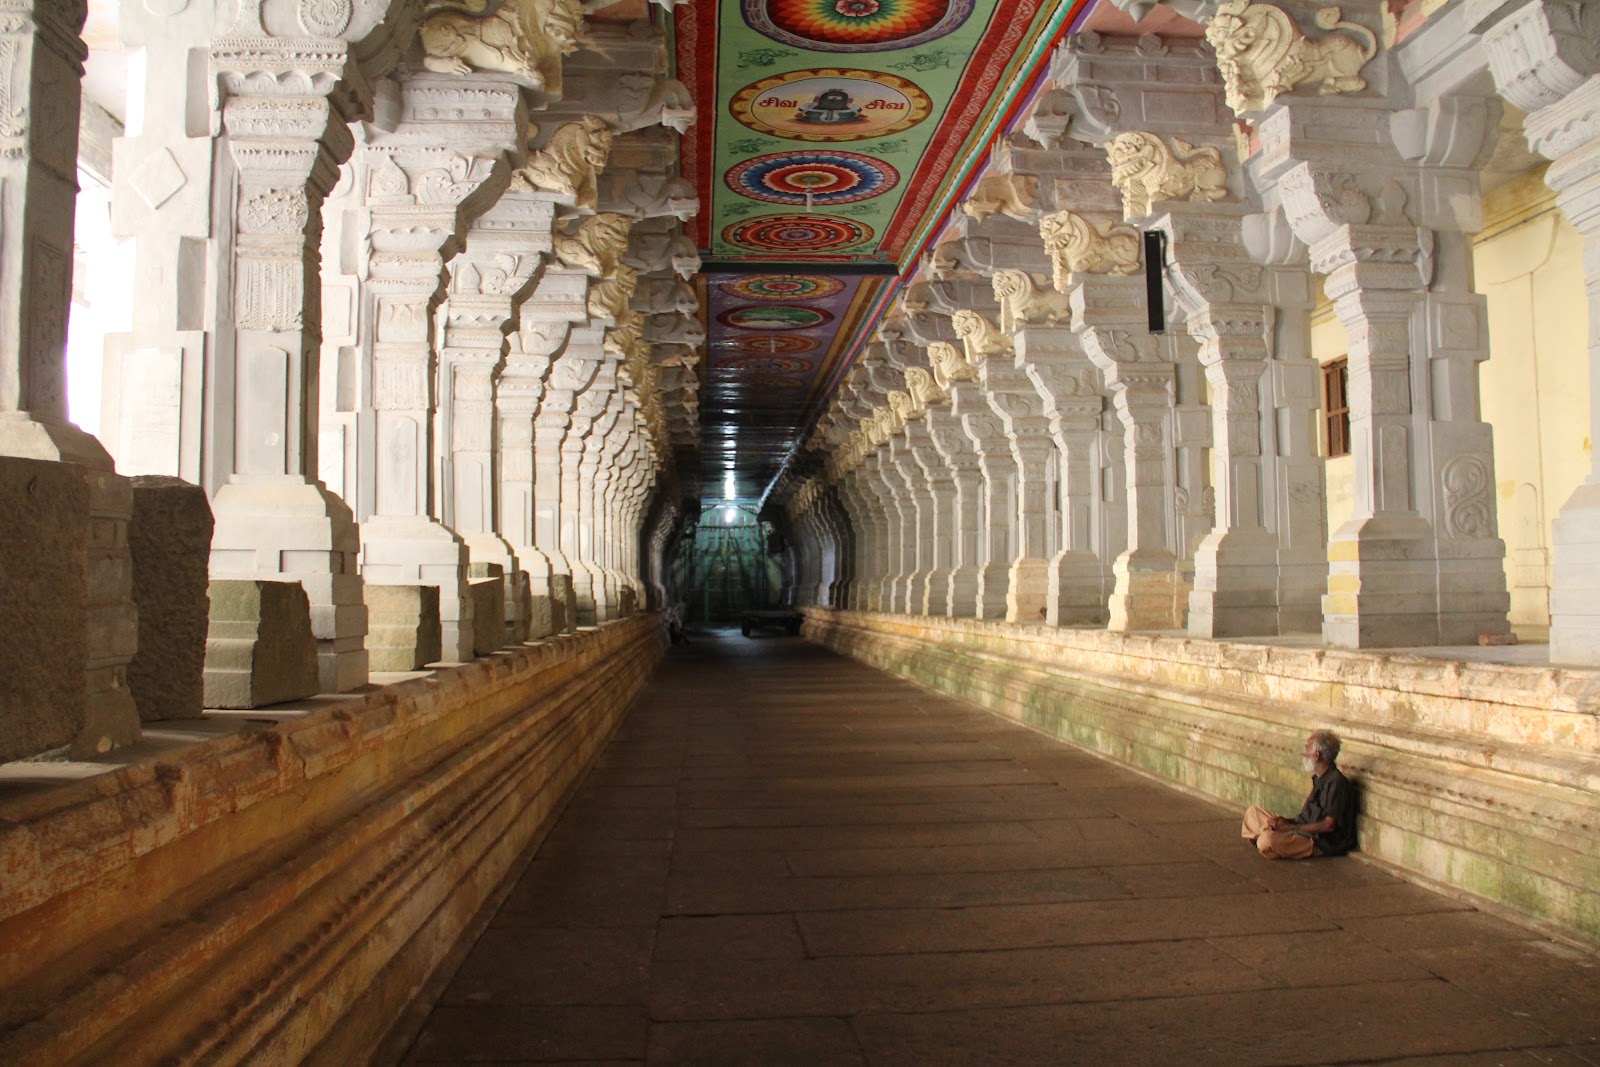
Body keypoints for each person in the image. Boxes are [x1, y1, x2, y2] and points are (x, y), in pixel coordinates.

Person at [1241, 729, 1357, 860]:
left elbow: (1328, 825)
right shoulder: (1319, 778)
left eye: (1307, 749)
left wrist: (1290, 828)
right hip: (1300, 829)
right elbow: (1305, 817)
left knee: (1267, 840)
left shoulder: (1336, 782)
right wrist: (1285, 821)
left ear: (1317, 755)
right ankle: (1272, 837)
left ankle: (1269, 839)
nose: (1304, 754)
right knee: (1253, 813)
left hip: (1318, 841)